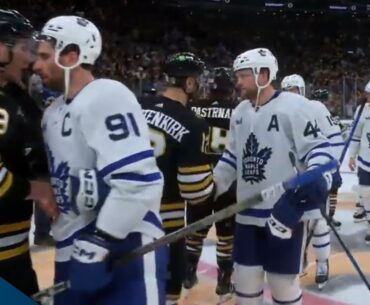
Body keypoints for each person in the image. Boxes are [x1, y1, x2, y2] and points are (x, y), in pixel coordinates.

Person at [33, 15, 167, 305]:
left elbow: (138, 181)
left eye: (44, 57)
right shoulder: (52, 113)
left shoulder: (106, 95)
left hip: (122, 247)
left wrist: (100, 241)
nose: (36, 65)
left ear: (71, 56)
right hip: (72, 249)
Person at [213, 48, 334, 305]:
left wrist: (312, 180)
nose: (238, 82)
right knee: (245, 288)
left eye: (244, 75)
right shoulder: (240, 112)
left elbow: (321, 154)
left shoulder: (296, 107)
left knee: (283, 287)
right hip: (246, 216)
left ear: (264, 75)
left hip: (282, 217)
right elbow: (232, 158)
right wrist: (210, 188)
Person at [139, 52, 214, 305]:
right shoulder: (192, 123)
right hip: (165, 225)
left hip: (123, 218)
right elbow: (195, 191)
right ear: (189, 83)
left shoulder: (135, 105)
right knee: (166, 294)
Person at [0, 9, 55, 296]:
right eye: (23, 48)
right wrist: (37, 189)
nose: (31, 59)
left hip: (14, 254)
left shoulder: (18, 99)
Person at [281, 73, 344, 289]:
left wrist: (330, 169)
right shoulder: (276, 111)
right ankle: (297, 261)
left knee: (318, 223)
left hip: (314, 176)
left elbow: (334, 138)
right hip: (289, 180)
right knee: (292, 224)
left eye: (294, 90)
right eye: (287, 90)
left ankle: (322, 264)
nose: (291, 95)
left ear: (302, 91)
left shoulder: (315, 108)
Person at [184, 66, 237, 303]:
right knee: (227, 237)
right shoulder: (239, 109)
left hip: (199, 177)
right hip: (230, 181)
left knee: (194, 232)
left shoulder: (194, 107)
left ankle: (187, 276)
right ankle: (223, 285)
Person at [348, 80, 370, 244]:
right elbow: (355, 136)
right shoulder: (361, 110)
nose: (368, 97)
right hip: (365, 161)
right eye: (367, 94)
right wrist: (352, 156)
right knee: (367, 195)